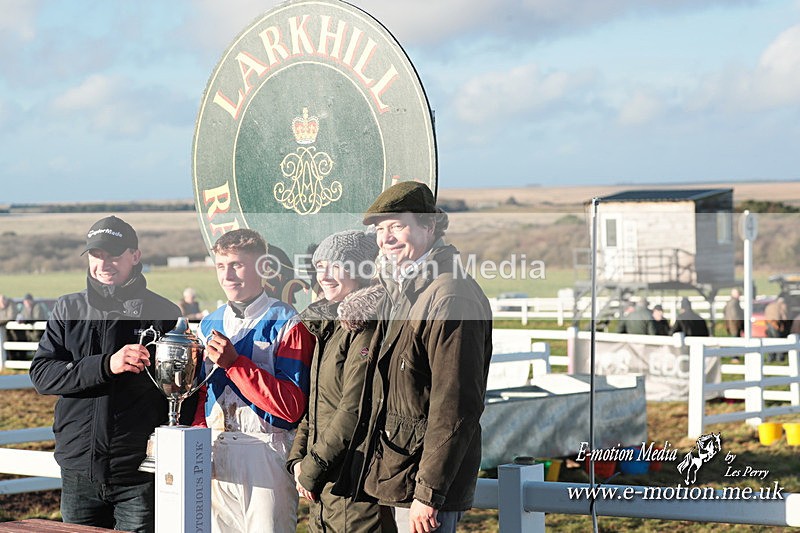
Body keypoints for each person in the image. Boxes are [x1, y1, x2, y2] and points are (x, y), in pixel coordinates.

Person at [350, 182, 493, 533]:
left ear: (429, 227)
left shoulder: (450, 296)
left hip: (421, 486)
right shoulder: (406, 288)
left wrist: (428, 493)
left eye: (397, 225)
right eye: (380, 229)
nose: (386, 238)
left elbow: (455, 404)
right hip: (395, 472)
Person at [29, 215, 182, 533]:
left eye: (115, 253)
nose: (105, 262)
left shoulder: (166, 313)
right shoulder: (67, 308)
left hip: (139, 473)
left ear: (135, 256)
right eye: (97, 254)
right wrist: (105, 365)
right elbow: (43, 375)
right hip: (78, 469)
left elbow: (179, 391)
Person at [191, 228, 315, 533]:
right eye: (221, 266)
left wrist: (236, 365)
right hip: (216, 451)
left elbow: (291, 407)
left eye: (237, 265)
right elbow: (200, 395)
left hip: (266, 451)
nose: (228, 275)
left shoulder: (288, 322)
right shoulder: (208, 323)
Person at [286, 229, 395, 532]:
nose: (325, 275)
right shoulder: (329, 328)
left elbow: (353, 409)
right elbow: (317, 404)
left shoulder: (365, 328)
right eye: (320, 266)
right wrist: (298, 457)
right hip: (325, 485)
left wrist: (311, 467)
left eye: (336, 266)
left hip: (354, 486)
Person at [764, 295, 790, 362]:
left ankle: (770, 358)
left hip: (769, 325)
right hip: (776, 325)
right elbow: (784, 317)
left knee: (770, 342)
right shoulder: (782, 305)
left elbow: (765, 315)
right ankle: (780, 358)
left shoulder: (769, 306)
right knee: (779, 342)